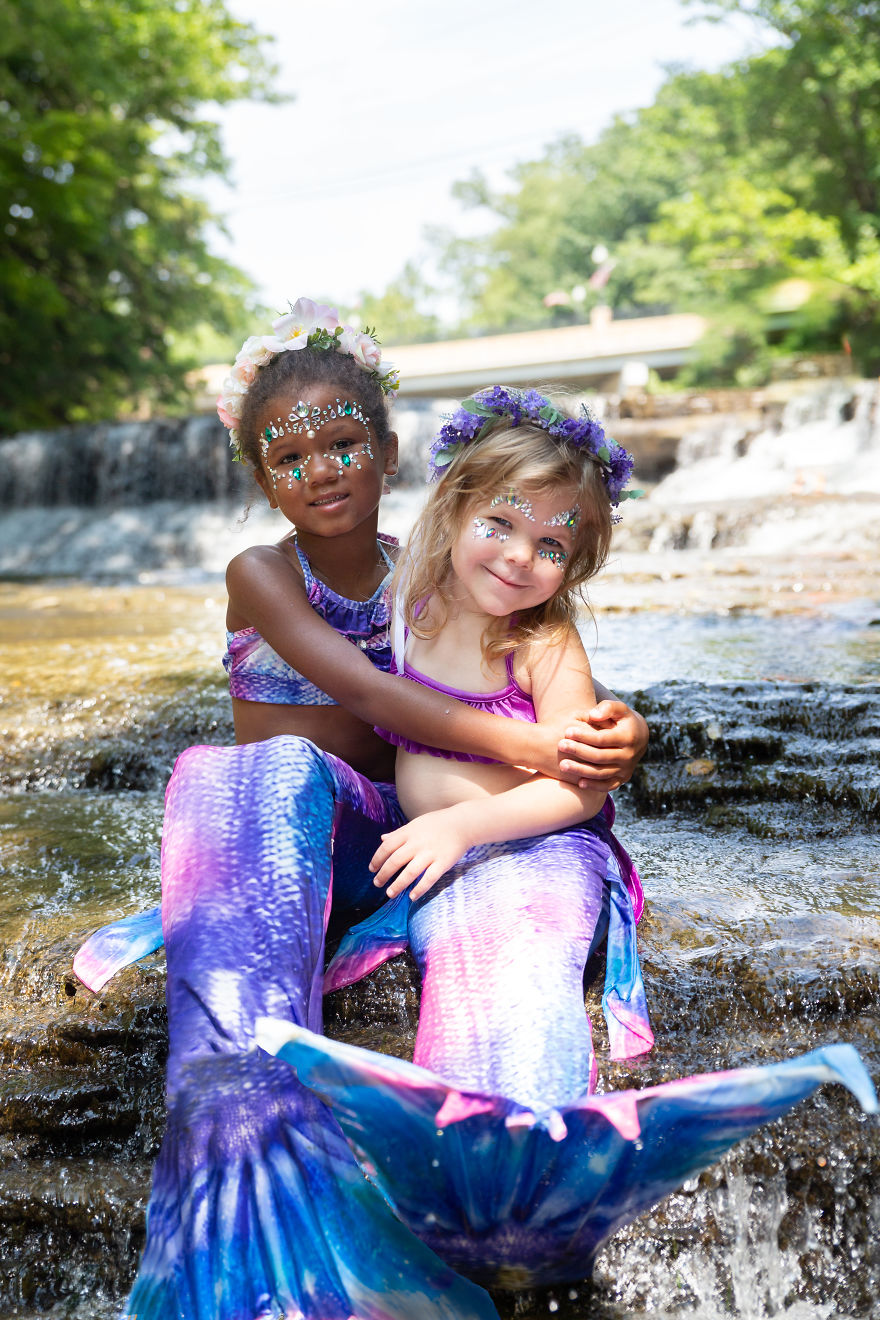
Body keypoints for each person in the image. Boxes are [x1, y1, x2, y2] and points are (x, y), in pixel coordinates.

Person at [75, 304, 875, 1319]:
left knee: (497, 903)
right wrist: (537, 746)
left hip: (463, 841)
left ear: (390, 452)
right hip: (327, 835)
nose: (320, 470)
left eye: (343, 444)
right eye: (288, 456)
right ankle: (240, 1111)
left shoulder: (447, 564)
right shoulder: (278, 571)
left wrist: (612, 738)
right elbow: (374, 698)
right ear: (258, 477)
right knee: (241, 774)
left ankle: (497, 1172)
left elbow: (558, 698)